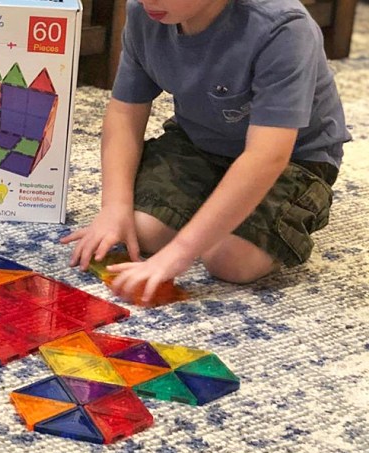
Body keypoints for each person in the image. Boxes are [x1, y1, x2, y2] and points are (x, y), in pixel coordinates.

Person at [61, 0, 351, 304]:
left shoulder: (283, 27)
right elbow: (124, 113)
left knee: (231, 261)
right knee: (141, 231)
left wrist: (180, 252)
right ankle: (216, 204)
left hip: (294, 159)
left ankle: (220, 212)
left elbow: (267, 157)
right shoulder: (144, 13)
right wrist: (113, 207)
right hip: (200, 142)